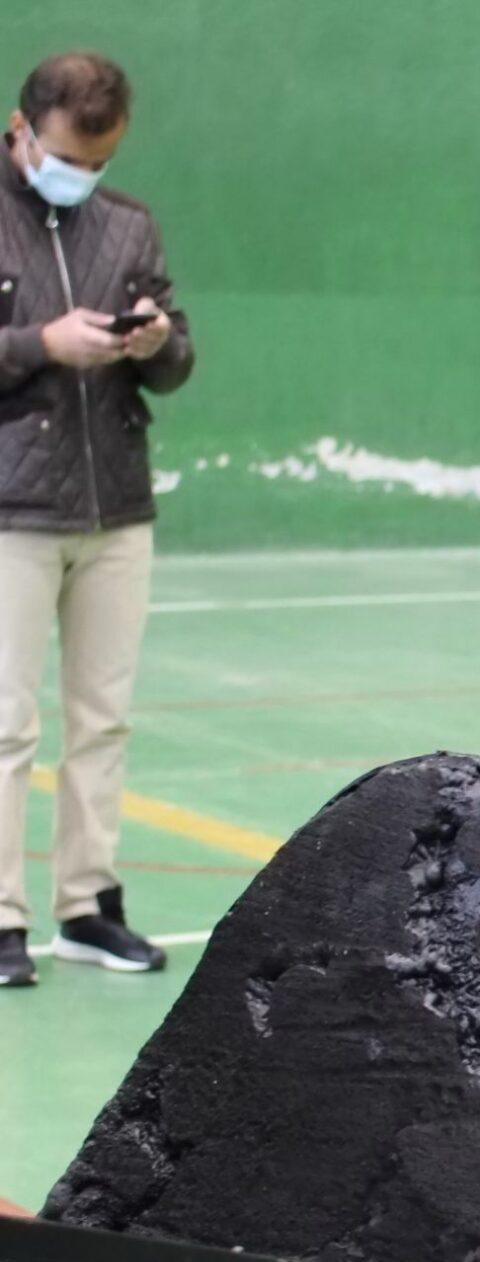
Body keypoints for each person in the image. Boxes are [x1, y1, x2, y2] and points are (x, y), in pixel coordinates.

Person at [0, 52, 192, 989]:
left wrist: (155, 341)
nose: (83, 175)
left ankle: (87, 906)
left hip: (115, 507)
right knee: (4, 725)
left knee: (103, 719)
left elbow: (177, 360)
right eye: (70, 157)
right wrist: (42, 343)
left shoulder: (129, 224)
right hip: (12, 511)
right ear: (22, 130)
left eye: (101, 160)